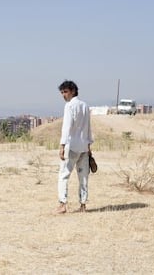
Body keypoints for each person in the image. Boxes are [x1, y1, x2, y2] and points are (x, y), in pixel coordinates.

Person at [55, 80, 93, 214]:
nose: (63, 95)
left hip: (71, 146)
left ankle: (62, 205)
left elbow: (66, 127)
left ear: (73, 91)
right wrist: (89, 144)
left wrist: (62, 145)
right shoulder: (85, 105)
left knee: (63, 175)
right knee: (83, 178)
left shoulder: (70, 106)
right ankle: (83, 205)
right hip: (83, 146)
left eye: (65, 92)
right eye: (62, 92)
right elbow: (88, 127)